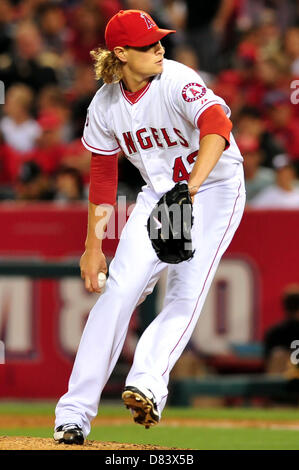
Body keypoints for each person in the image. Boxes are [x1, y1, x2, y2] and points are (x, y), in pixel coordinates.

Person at [54, 9, 246, 445]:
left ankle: (147, 382)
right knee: (117, 292)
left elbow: (217, 126)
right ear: (121, 53)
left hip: (214, 188)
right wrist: (93, 245)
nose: (159, 48)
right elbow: (102, 176)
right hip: (159, 195)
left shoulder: (177, 78)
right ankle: (73, 416)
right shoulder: (104, 105)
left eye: (159, 40)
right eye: (147, 44)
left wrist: (192, 187)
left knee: (185, 290)